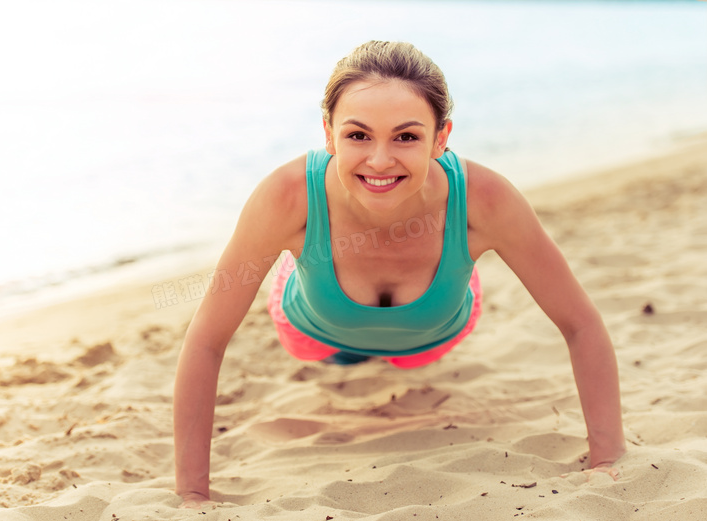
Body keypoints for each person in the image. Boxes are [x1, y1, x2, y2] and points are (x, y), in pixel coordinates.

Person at [173, 40, 626, 509]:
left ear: (441, 137)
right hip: (312, 329)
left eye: (407, 137)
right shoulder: (287, 197)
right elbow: (206, 339)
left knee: (411, 358)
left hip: (433, 334)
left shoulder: (486, 200)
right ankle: (308, 270)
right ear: (328, 135)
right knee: (331, 352)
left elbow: (580, 323)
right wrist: (191, 494)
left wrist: (607, 458)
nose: (380, 160)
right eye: (358, 136)